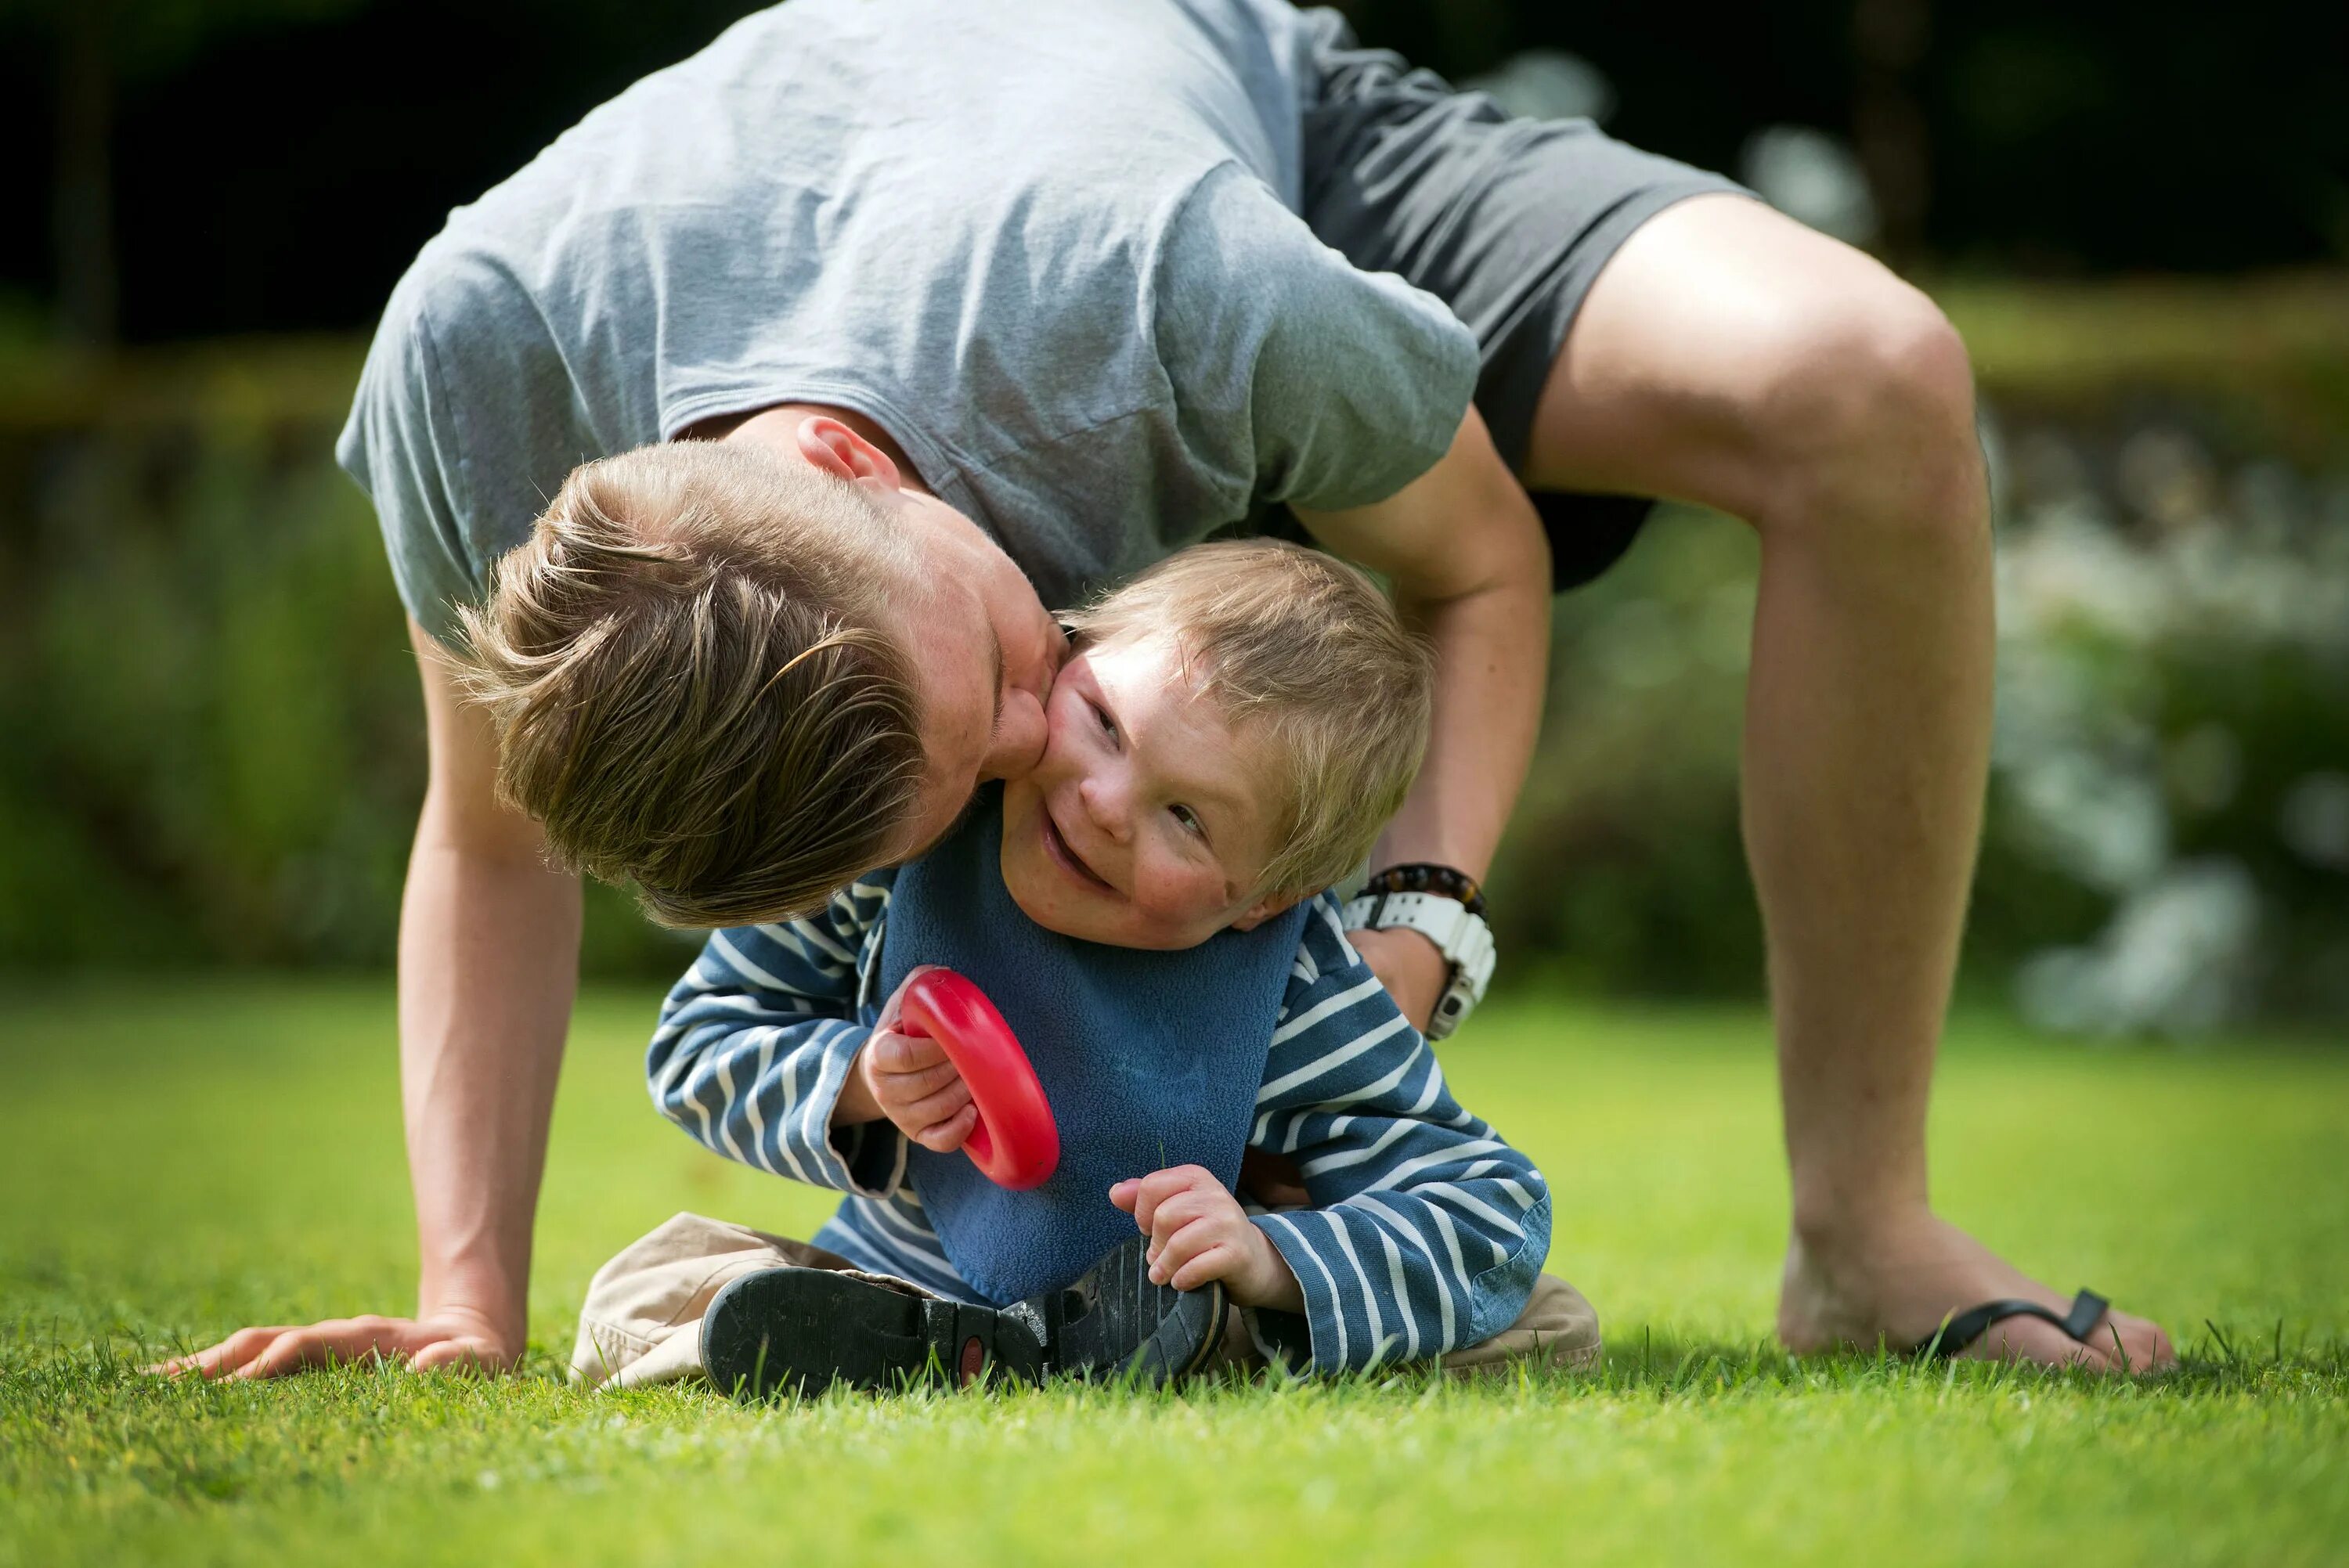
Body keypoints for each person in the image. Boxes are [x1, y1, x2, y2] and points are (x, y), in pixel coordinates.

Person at [158, 0, 2172, 1382]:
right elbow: (491, 838)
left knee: (1867, 384)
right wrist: (465, 1300)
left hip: (1246, 117)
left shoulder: (1175, 294)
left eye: (1017, 675)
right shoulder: (479, 374)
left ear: (860, 475)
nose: (1053, 758)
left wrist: (1410, 930)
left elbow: (1477, 565)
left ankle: (1869, 1235)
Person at [564, 534, 1597, 1395]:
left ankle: (1161, 1337)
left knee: (1545, 1319)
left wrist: (1276, 1260)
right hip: (883, 1274)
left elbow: (1491, 1206)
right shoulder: (911, 837)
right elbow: (701, 1039)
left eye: (1187, 818)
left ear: (1266, 898)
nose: (1104, 803)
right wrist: (861, 1082)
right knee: (640, 1294)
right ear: (1069, 654)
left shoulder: (1298, 991)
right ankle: (918, 1335)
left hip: (1168, 1297)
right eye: (1103, 722)